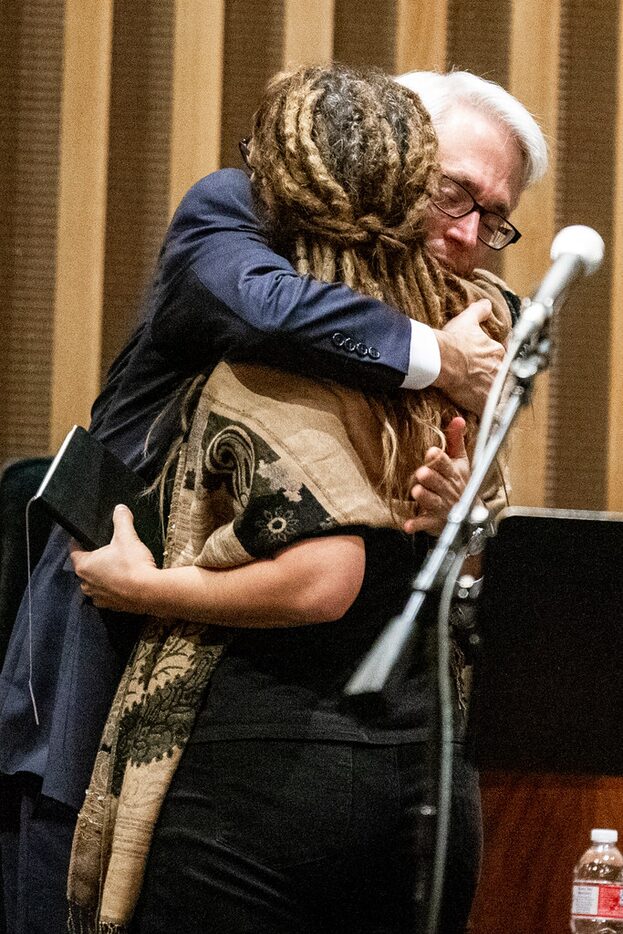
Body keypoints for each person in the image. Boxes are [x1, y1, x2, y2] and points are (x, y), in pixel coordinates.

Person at [0, 64, 546, 934]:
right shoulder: (239, 213)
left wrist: (453, 519)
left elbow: (429, 547)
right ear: (393, 163)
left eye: (494, 218)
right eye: (451, 195)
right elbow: (256, 306)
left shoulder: (464, 319)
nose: (466, 234)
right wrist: (438, 359)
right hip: (115, 613)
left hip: (340, 729)